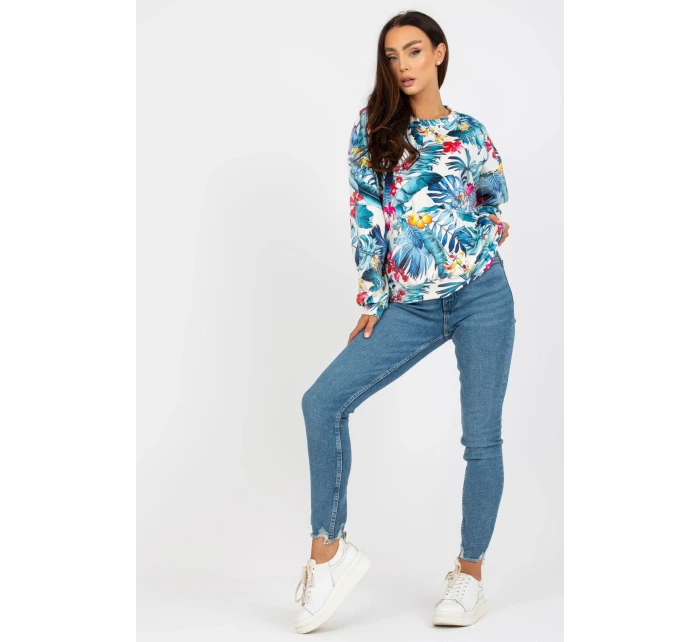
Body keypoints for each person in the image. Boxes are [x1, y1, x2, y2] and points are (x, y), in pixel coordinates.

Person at [293, 10, 515, 634]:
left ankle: (468, 577)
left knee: (482, 441)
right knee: (322, 402)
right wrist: (373, 300)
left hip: (482, 295)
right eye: (392, 56)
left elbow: (495, 199)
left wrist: (481, 234)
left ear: (439, 53)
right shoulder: (373, 128)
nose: (403, 65)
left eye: (414, 51)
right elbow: (365, 217)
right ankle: (328, 553)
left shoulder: (470, 132)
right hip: (409, 306)